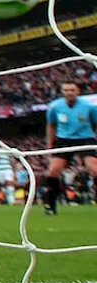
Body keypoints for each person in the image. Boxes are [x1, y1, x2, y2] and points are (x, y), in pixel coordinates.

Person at [43, 81, 97, 215]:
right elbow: (51, 125)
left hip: (85, 139)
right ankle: (50, 205)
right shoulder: (55, 106)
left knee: (94, 169)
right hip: (63, 140)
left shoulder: (89, 107)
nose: (69, 93)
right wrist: (50, 144)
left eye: (72, 90)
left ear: (78, 91)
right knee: (53, 171)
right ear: (62, 91)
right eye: (66, 90)